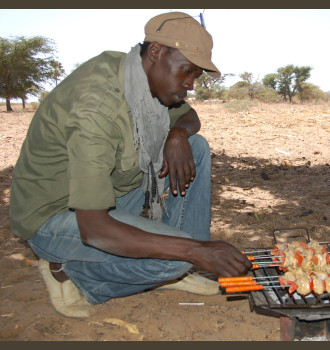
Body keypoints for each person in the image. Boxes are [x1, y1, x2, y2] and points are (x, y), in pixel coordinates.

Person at [9, 12, 252, 319]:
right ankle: (71, 275)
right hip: (56, 215)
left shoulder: (142, 78)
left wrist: (178, 133)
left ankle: (178, 266)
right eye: (186, 71)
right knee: (178, 255)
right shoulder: (97, 108)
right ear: (155, 53)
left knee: (195, 146)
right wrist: (195, 251)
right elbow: (95, 230)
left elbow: (190, 118)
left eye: (196, 76)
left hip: (108, 194)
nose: (190, 85)